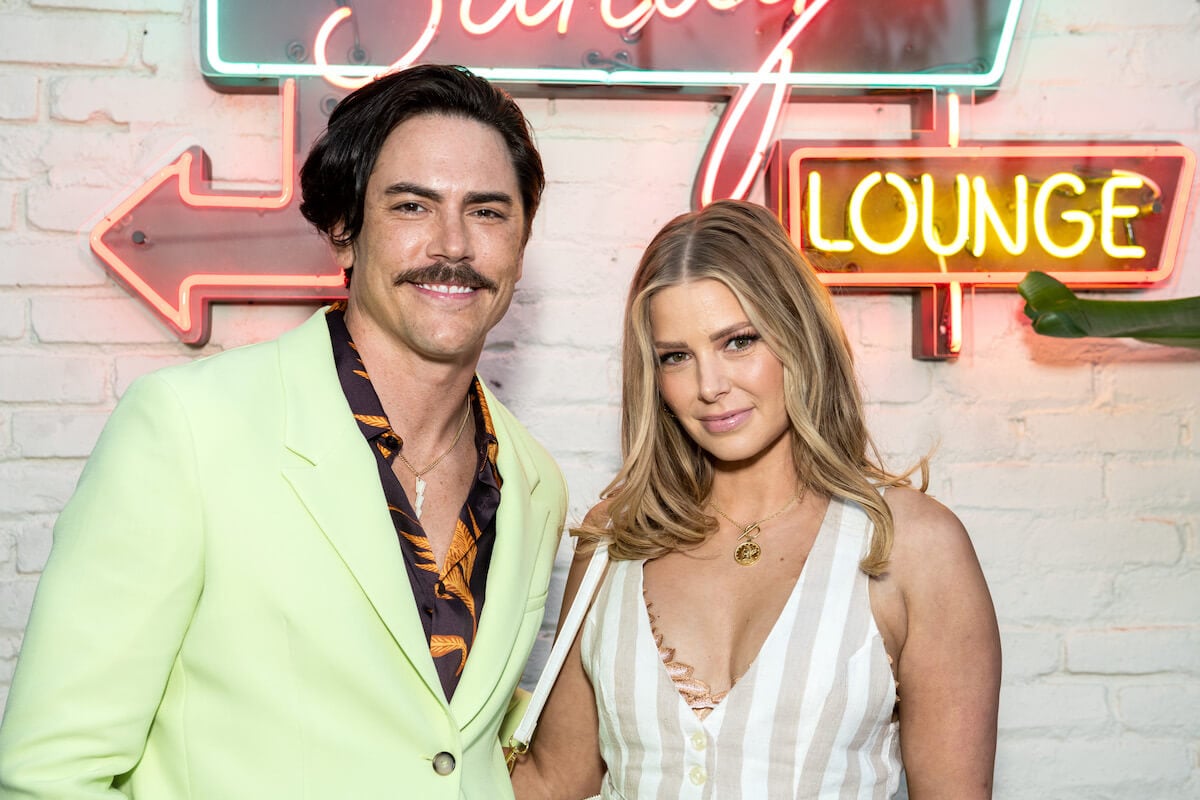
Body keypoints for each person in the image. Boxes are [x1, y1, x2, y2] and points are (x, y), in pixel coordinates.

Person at [0, 64, 567, 799]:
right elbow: (51, 773)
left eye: (488, 212)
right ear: (343, 232)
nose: (453, 244)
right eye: (412, 207)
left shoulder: (534, 483)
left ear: (522, 244)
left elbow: (452, 742)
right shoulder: (188, 430)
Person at [510, 199, 1001, 799]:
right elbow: (556, 780)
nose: (710, 386)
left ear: (798, 335)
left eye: (738, 341)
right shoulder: (615, 541)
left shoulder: (912, 546)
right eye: (676, 357)